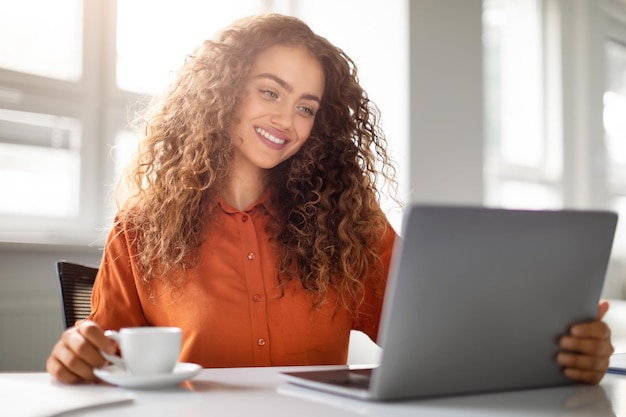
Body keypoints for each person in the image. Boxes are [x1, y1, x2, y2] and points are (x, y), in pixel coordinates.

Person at [46, 13, 614, 385]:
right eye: (270, 91)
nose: (286, 119)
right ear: (219, 95)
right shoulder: (141, 228)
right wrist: (75, 356)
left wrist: (554, 349)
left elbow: (442, 338)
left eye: (306, 106)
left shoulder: (346, 223)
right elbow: (104, 361)